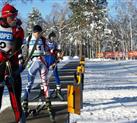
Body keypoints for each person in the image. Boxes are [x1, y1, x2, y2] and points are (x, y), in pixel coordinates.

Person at [0, 3, 25, 123]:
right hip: (0, 66)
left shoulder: (17, 29)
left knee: (15, 98)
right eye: (12, 17)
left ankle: (20, 119)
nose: (14, 19)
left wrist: (18, 57)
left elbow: (17, 46)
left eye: (15, 16)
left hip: (12, 66)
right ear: (5, 17)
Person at [22, 25, 54, 120]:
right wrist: (21, 58)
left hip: (42, 62)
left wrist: (53, 53)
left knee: (45, 82)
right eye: (37, 33)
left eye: (39, 33)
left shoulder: (43, 39)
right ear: (34, 32)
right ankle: (25, 103)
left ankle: (48, 101)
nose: (38, 35)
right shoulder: (28, 38)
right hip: (32, 63)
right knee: (29, 83)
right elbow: (21, 47)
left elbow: (48, 49)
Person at [45, 31, 64, 101]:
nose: (53, 39)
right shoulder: (46, 43)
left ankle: (58, 89)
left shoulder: (55, 44)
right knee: (44, 75)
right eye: (52, 37)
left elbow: (59, 52)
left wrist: (58, 57)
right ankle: (43, 89)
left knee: (56, 74)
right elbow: (44, 51)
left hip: (53, 61)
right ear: (49, 37)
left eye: (54, 38)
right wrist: (49, 51)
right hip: (46, 61)